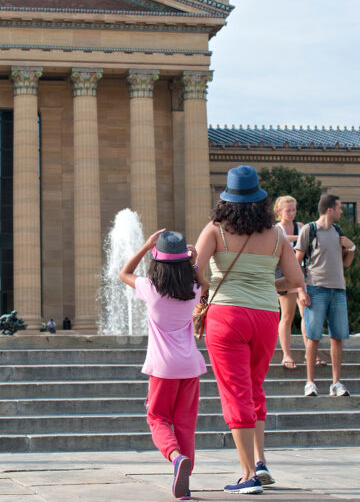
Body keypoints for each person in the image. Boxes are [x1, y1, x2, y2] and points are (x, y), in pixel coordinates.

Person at [195, 165, 309, 495]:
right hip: (264, 316)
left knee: (235, 392)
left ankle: (248, 476)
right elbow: (296, 281)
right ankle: (260, 462)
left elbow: (194, 271)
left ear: (227, 200)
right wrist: (263, 284)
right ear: (260, 200)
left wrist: (209, 287)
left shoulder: (215, 229)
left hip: (226, 316)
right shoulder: (275, 234)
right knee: (255, 387)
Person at [120, 229, 206, 500]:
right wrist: (193, 262)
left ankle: (175, 457)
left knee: (157, 418)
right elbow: (206, 283)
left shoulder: (151, 288)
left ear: (158, 261)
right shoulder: (193, 290)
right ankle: (185, 483)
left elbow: (124, 272)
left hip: (163, 368)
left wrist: (146, 246)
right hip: (190, 367)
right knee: (185, 423)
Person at [295, 194, 355, 397]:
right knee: (313, 337)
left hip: (338, 290)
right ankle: (310, 382)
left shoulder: (338, 231)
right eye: (339, 208)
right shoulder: (309, 230)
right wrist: (301, 290)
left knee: (337, 337)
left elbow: (346, 263)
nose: (341, 211)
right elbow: (297, 262)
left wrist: (352, 247)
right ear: (329, 209)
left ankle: (336, 383)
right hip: (315, 289)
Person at [274, 196, 305, 369]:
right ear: (279, 211)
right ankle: (287, 354)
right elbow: (282, 240)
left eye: (294, 210)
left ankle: (311, 354)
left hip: (302, 273)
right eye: (288, 210)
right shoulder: (276, 229)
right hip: (283, 273)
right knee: (287, 315)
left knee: (306, 315)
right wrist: (301, 238)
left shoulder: (300, 227)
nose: (292, 213)